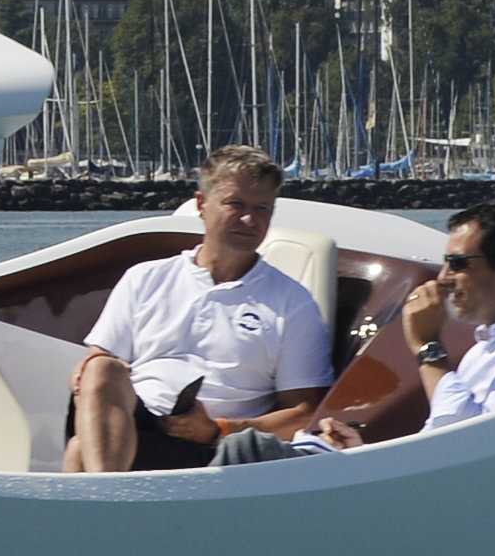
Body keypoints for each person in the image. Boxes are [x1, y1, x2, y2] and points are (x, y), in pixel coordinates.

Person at [209, 198, 495, 466]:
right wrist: (363, 450)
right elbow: (440, 440)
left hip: (437, 500)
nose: (444, 278)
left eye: (458, 264)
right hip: (418, 485)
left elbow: (470, 443)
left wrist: (428, 347)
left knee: (246, 453)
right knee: (249, 449)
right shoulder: (491, 347)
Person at [67, 146, 331, 472]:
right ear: (202, 205)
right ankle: (109, 497)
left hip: (213, 450)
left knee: (81, 451)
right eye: (236, 204)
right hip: (138, 419)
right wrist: (91, 370)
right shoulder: (145, 278)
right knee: (102, 369)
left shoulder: (293, 303)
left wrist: (219, 429)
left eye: (263, 208)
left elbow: (305, 412)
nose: (250, 220)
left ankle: (101, 502)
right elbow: (94, 371)